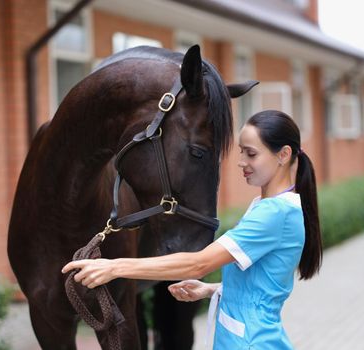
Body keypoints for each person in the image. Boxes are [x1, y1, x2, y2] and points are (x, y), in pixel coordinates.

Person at [62, 110, 323, 349]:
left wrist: (113, 267)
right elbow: (262, 284)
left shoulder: (275, 213)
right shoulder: (268, 207)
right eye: (241, 151)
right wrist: (211, 290)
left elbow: (199, 263)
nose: (241, 161)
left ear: (284, 155)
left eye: (251, 153)